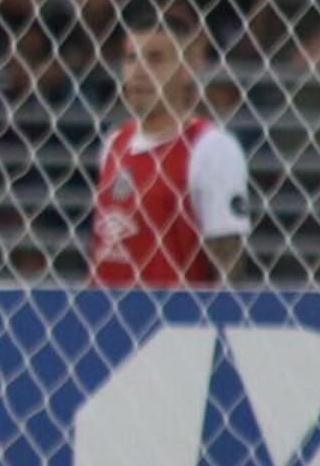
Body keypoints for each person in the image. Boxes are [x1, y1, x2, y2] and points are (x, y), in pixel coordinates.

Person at [91, 22, 250, 287]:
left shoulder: (210, 148)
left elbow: (228, 263)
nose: (139, 72)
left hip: (172, 319)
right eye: (132, 58)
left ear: (187, 69)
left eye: (155, 59)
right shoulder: (114, 142)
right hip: (103, 318)